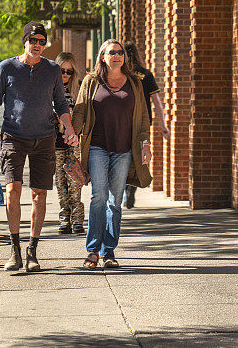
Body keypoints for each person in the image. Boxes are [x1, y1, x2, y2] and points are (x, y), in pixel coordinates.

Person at [0, 21, 78, 273]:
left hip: (44, 138)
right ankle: (15, 250)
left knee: (39, 194)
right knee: (12, 189)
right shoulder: (7, 67)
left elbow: (61, 105)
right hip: (14, 136)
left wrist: (68, 128)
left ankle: (32, 251)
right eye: (33, 40)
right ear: (25, 41)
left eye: (41, 41)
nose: (37, 45)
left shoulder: (53, 70)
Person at [72, 39, 151, 269]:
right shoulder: (91, 82)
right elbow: (79, 112)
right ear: (102, 57)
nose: (117, 55)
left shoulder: (135, 83)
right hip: (97, 147)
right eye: (111, 52)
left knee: (115, 201)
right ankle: (93, 250)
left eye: (120, 52)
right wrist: (69, 135)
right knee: (99, 198)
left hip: (124, 150)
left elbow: (144, 118)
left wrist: (145, 144)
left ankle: (109, 251)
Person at [122, 41, 168, 209]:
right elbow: (157, 101)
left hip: (124, 121)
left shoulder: (121, 75)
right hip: (144, 122)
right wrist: (163, 124)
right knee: (141, 155)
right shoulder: (146, 75)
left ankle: (125, 186)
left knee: (123, 154)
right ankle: (131, 189)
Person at [53, 52, 84, 235]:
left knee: (75, 182)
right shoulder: (48, 88)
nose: (65, 75)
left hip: (74, 143)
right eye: (62, 71)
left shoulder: (78, 89)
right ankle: (64, 219)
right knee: (60, 183)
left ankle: (78, 219)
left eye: (69, 71)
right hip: (55, 142)